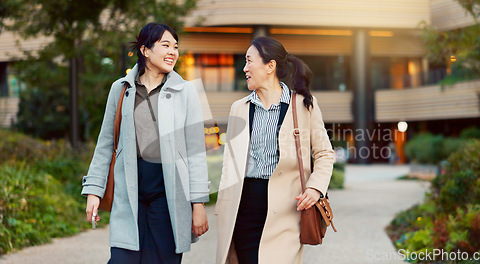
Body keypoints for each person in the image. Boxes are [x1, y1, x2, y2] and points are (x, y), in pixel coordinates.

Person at [81, 22, 210, 264]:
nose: (173, 52)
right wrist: (94, 192)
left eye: (176, 46)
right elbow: (106, 143)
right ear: (145, 50)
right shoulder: (121, 89)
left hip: (168, 192)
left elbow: (195, 151)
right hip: (129, 190)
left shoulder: (186, 92)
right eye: (165, 45)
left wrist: (199, 203)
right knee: (122, 259)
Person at [215, 37, 335, 264]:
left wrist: (315, 188)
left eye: (250, 61)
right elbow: (229, 165)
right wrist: (222, 207)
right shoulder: (239, 108)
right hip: (243, 208)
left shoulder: (303, 104)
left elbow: (324, 153)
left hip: (287, 209)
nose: (245, 68)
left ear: (270, 66)